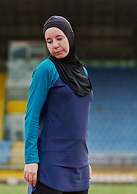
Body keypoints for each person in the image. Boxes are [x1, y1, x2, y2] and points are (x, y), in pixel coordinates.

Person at [24, 16, 93, 194]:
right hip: (51, 163)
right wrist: (31, 160)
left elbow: (79, 120)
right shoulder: (46, 69)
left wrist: (85, 160)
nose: (54, 45)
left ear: (70, 37)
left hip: (79, 164)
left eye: (59, 38)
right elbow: (32, 116)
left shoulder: (82, 72)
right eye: (49, 41)